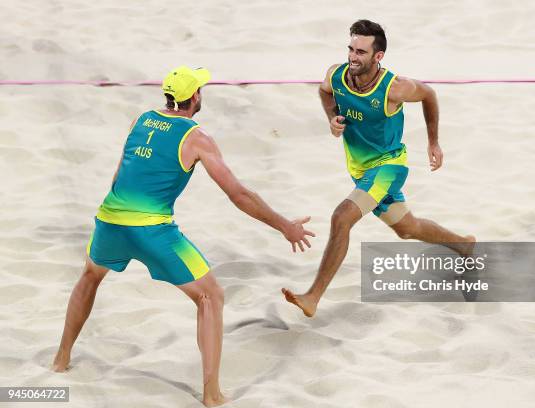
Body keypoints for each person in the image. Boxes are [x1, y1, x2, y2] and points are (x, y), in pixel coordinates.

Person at [52, 66, 314, 407]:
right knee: (211, 296)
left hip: (109, 218)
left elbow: (118, 177)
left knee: (90, 276)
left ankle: (60, 361)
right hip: (152, 230)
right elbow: (239, 195)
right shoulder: (197, 137)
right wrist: (285, 226)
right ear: (195, 97)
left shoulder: (141, 120)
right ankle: (212, 395)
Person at [282, 20, 475, 318]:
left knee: (341, 218)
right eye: (350, 48)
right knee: (407, 228)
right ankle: (464, 245)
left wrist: (433, 143)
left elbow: (429, 95)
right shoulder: (336, 75)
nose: (352, 56)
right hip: (361, 170)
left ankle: (313, 296)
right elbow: (325, 93)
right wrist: (332, 117)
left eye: (361, 51)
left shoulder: (394, 88)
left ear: (378, 56)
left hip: (389, 167)